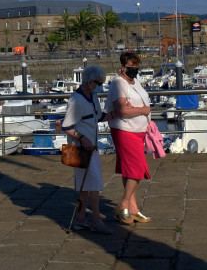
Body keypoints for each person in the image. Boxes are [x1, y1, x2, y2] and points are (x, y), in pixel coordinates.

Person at [61, 65, 111, 234]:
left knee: (85, 188)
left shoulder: (93, 97)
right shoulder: (76, 100)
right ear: (90, 82)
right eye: (99, 82)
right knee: (95, 184)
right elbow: (66, 126)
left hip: (93, 149)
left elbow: (99, 116)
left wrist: (119, 113)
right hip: (80, 150)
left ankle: (81, 217)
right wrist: (82, 138)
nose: (101, 86)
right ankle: (96, 219)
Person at [104, 51, 152, 225]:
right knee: (137, 168)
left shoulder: (135, 81)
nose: (135, 69)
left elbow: (136, 103)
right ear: (123, 67)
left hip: (138, 131)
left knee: (129, 169)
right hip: (125, 130)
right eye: (131, 67)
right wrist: (142, 110)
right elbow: (122, 110)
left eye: (137, 66)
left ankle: (133, 208)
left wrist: (137, 108)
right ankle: (123, 203)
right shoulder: (118, 83)